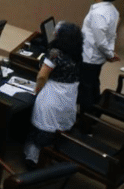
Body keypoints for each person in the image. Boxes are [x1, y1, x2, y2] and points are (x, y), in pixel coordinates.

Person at [24, 22, 83, 166]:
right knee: (57, 129)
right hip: (68, 99)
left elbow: (42, 76)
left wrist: (37, 89)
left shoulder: (55, 53)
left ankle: (34, 160)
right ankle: (51, 156)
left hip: (52, 99)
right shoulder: (78, 53)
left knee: (41, 129)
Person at [78, 0, 120, 113]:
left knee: (86, 89)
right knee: (93, 84)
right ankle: (94, 111)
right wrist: (110, 52)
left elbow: (101, 41)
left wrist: (110, 54)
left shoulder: (98, 14)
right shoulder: (113, 10)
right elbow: (112, 35)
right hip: (97, 56)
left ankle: (86, 123)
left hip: (89, 57)